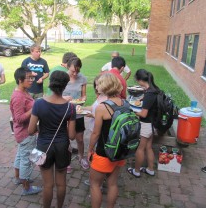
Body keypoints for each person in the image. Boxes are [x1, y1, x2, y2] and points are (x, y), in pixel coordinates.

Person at [28, 70, 76, 208]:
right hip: (62, 146)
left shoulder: (38, 104)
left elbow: (30, 130)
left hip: (44, 146)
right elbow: (72, 135)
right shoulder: (70, 107)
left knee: (48, 185)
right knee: (61, 183)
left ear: (49, 84)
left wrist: (41, 130)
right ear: (65, 86)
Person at [87, 73, 126, 208]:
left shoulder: (102, 107)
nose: (96, 86)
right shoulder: (125, 103)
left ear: (105, 86)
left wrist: (90, 149)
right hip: (120, 150)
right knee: (113, 184)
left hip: (104, 152)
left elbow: (96, 133)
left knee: (95, 184)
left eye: (98, 84)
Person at [10, 67, 42, 195]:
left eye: (32, 77)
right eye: (29, 78)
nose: (32, 80)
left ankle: (18, 178)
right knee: (26, 160)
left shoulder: (24, 92)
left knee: (20, 156)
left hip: (23, 133)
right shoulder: (18, 96)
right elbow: (18, 119)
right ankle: (26, 188)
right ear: (20, 80)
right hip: (25, 133)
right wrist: (35, 106)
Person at [127, 69, 159, 177]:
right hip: (152, 124)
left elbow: (144, 114)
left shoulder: (149, 93)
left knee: (140, 149)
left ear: (140, 80)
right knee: (148, 147)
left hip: (146, 124)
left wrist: (132, 111)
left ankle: (136, 171)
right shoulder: (154, 89)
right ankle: (150, 169)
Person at [63, 57, 89, 171]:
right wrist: (65, 99)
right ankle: (66, 160)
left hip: (78, 112)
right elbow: (56, 95)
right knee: (65, 138)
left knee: (79, 138)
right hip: (64, 112)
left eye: (77, 71)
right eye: (73, 71)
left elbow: (83, 95)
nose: (75, 73)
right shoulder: (62, 78)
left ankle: (81, 157)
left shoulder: (82, 78)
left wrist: (82, 101)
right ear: (67, 67)